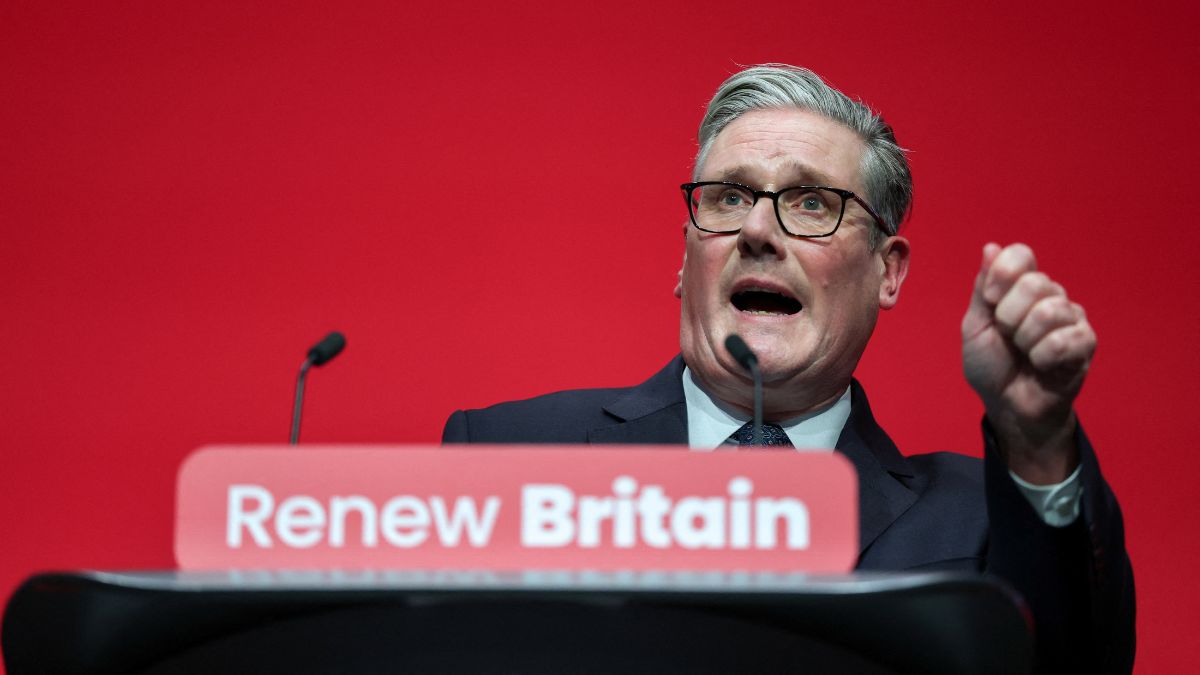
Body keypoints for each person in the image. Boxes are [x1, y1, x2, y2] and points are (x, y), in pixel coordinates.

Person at [443, 65, 1134, 672]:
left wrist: (1037, 440)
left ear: (887, 272)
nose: (756, 231)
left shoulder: (979, 520)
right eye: (729, 197)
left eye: (812, 203)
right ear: (686, 260)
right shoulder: (512, 455)